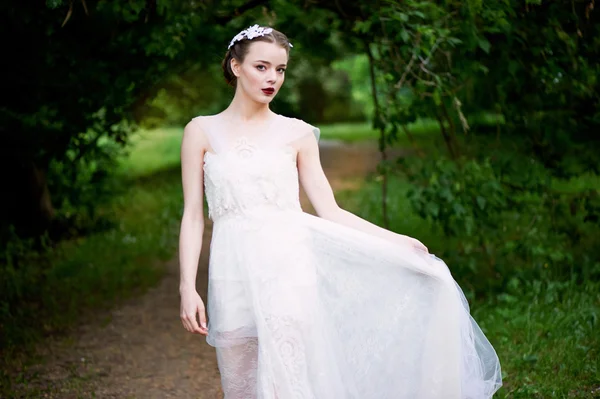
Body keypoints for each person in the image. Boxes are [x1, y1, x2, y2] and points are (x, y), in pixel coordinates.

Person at [178, 24, 502, 399]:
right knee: (240, 385)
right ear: (236, 67)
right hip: (230, 272)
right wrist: (188, 287)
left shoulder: (296, 133)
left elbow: (330, 210)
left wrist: (396, 242)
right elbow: (193, 216)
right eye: (262, 67)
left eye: (280, 69)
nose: (272, 79)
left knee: (291, 383)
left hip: (287, 268)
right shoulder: (201, 131)